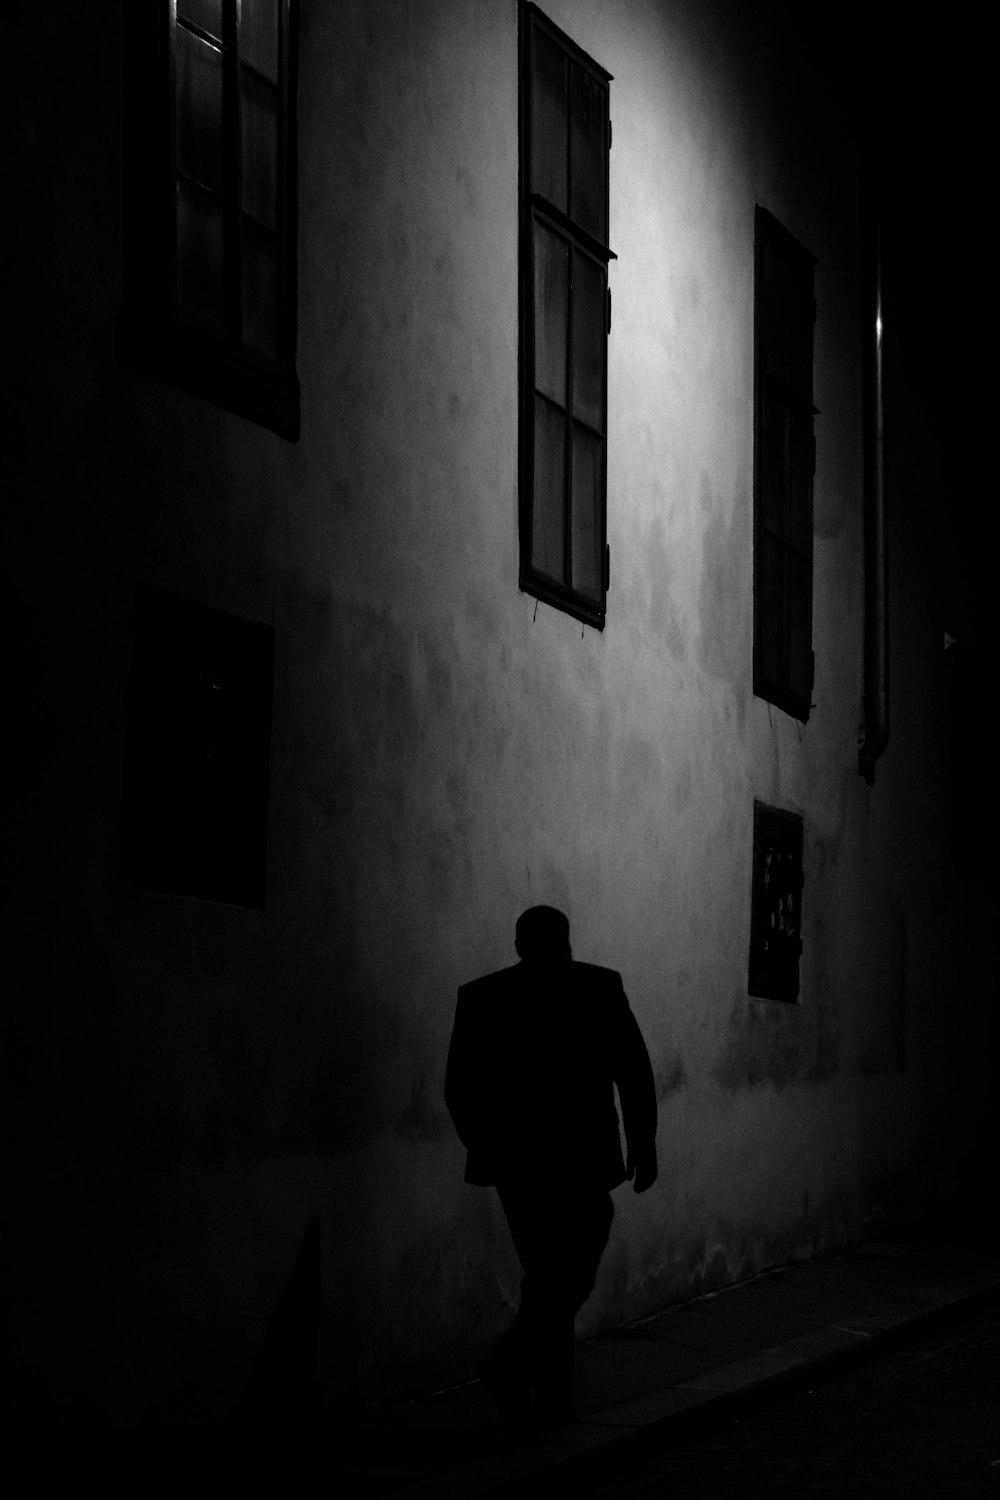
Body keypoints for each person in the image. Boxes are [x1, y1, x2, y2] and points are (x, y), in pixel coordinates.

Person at [445, 905, 657, 1430]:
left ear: (519, 944)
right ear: (566, 941)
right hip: (579, 1158)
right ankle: (543, 1390)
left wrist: (489, 1145)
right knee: (560, 1275)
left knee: (548, 1275)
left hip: (520, 1163)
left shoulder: (483, 997)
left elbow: (460, 1088)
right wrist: (642, 1145)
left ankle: (519, 1372)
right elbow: (633, 1072)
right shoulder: (599, 987)